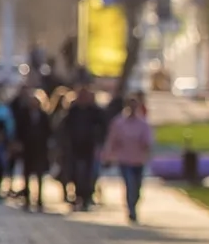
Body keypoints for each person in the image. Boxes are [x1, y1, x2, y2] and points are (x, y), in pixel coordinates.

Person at [101, 92, 155, 222]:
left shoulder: (143, 123)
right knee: (129, 184)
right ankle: (131, 209)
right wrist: (107, 156)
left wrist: (147, 150)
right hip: (124, 159)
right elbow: (112, 140)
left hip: (139, 160)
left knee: (137, 187)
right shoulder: (119, 123)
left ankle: (134, 202)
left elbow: (147, 141)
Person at [60, 86, 107, 211]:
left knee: (89, 174)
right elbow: (64, 127)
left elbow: (104, 127)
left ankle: (86, 196)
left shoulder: (95, 111)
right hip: (75, 148)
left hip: (89, 148)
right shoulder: (73, 111)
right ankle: (78, 195)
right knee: (75, 172)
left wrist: (99, 140)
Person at [11, 90, 53, 211]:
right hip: (27, 148)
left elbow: (49, 131)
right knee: (26, 173)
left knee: (40, 174)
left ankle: (39, 199)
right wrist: (17, 143)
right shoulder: (23, 115)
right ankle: (27, 199)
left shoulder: (44, 115)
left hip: (40, 148)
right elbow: (18, 130)